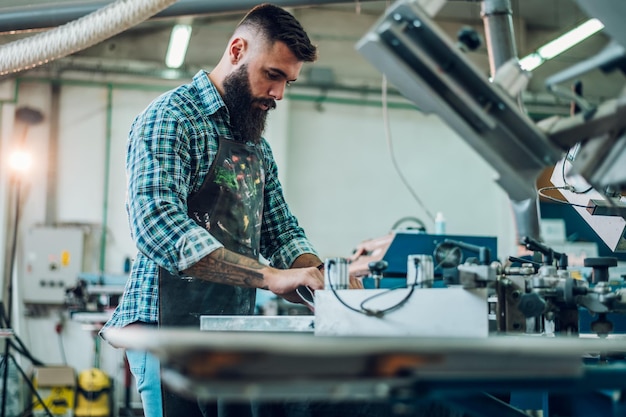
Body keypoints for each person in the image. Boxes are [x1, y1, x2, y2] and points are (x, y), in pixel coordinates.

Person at [100, 4, 337, 417]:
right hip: (165, 329)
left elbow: (280, 231)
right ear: (237, 49)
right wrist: (268, 276)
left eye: (288, 81)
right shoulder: (172, 117)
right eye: (273, 75)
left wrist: (328, 285)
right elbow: (158, 225)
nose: (279, 93)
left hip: (227, 331)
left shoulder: (255, 144)